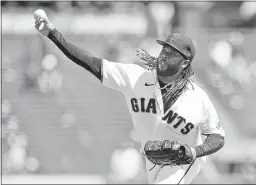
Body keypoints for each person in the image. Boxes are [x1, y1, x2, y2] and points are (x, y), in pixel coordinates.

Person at [34, 10, 225, 184]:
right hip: (151, 159)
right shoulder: (136, 78)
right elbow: (89, 61)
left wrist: (194, 151)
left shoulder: (197, 98)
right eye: (164, 50)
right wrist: (52, 33)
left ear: (184, 64)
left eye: (172, 53)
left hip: (183, 161)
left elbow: (217, 137)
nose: (164, 55)